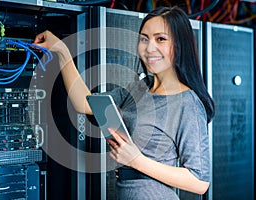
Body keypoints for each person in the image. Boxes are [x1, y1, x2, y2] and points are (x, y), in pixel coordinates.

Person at [34, 6, 215, 200]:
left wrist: (136, 161)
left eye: (160, 39)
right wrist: (62, 51)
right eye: (144, 39)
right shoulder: (138, 89)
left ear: (180, 45)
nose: (149, 47)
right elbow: (84, 104)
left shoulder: (188, 104)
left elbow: (199, 182)